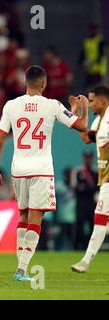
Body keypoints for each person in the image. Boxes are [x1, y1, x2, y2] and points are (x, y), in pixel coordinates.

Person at [0, 65, 88, 281]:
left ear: (25, 83)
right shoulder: (52, 105)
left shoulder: (11, 105)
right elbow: (82, 126)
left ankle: (20, 267)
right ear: (44, 83)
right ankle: (22, 270)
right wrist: (81, 108)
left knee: (23, 215)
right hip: (41, 170)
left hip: (19, 169)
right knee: (36, 216)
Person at [71, 86, 109, 273]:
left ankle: (85, 261)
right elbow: (86, 137)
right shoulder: (98, 121)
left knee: (100, 218)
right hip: (106, 180)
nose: (91, 103)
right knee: (101, 219)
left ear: (102, 101)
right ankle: (85, 262)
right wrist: (79, 112)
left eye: (92, 101)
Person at [70, 150, 98, 250]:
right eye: (86, 157)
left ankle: (91, 248)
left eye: (90, 157)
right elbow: (73, 185)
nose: (88, 159)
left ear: (92, 158)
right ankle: (76, 247)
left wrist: (84, 188)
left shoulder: (96, 172)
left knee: (93, 225)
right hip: (81, 202)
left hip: (92, 202)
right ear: (83, 158)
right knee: (78, 225)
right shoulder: (78, 171)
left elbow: (98, 187)